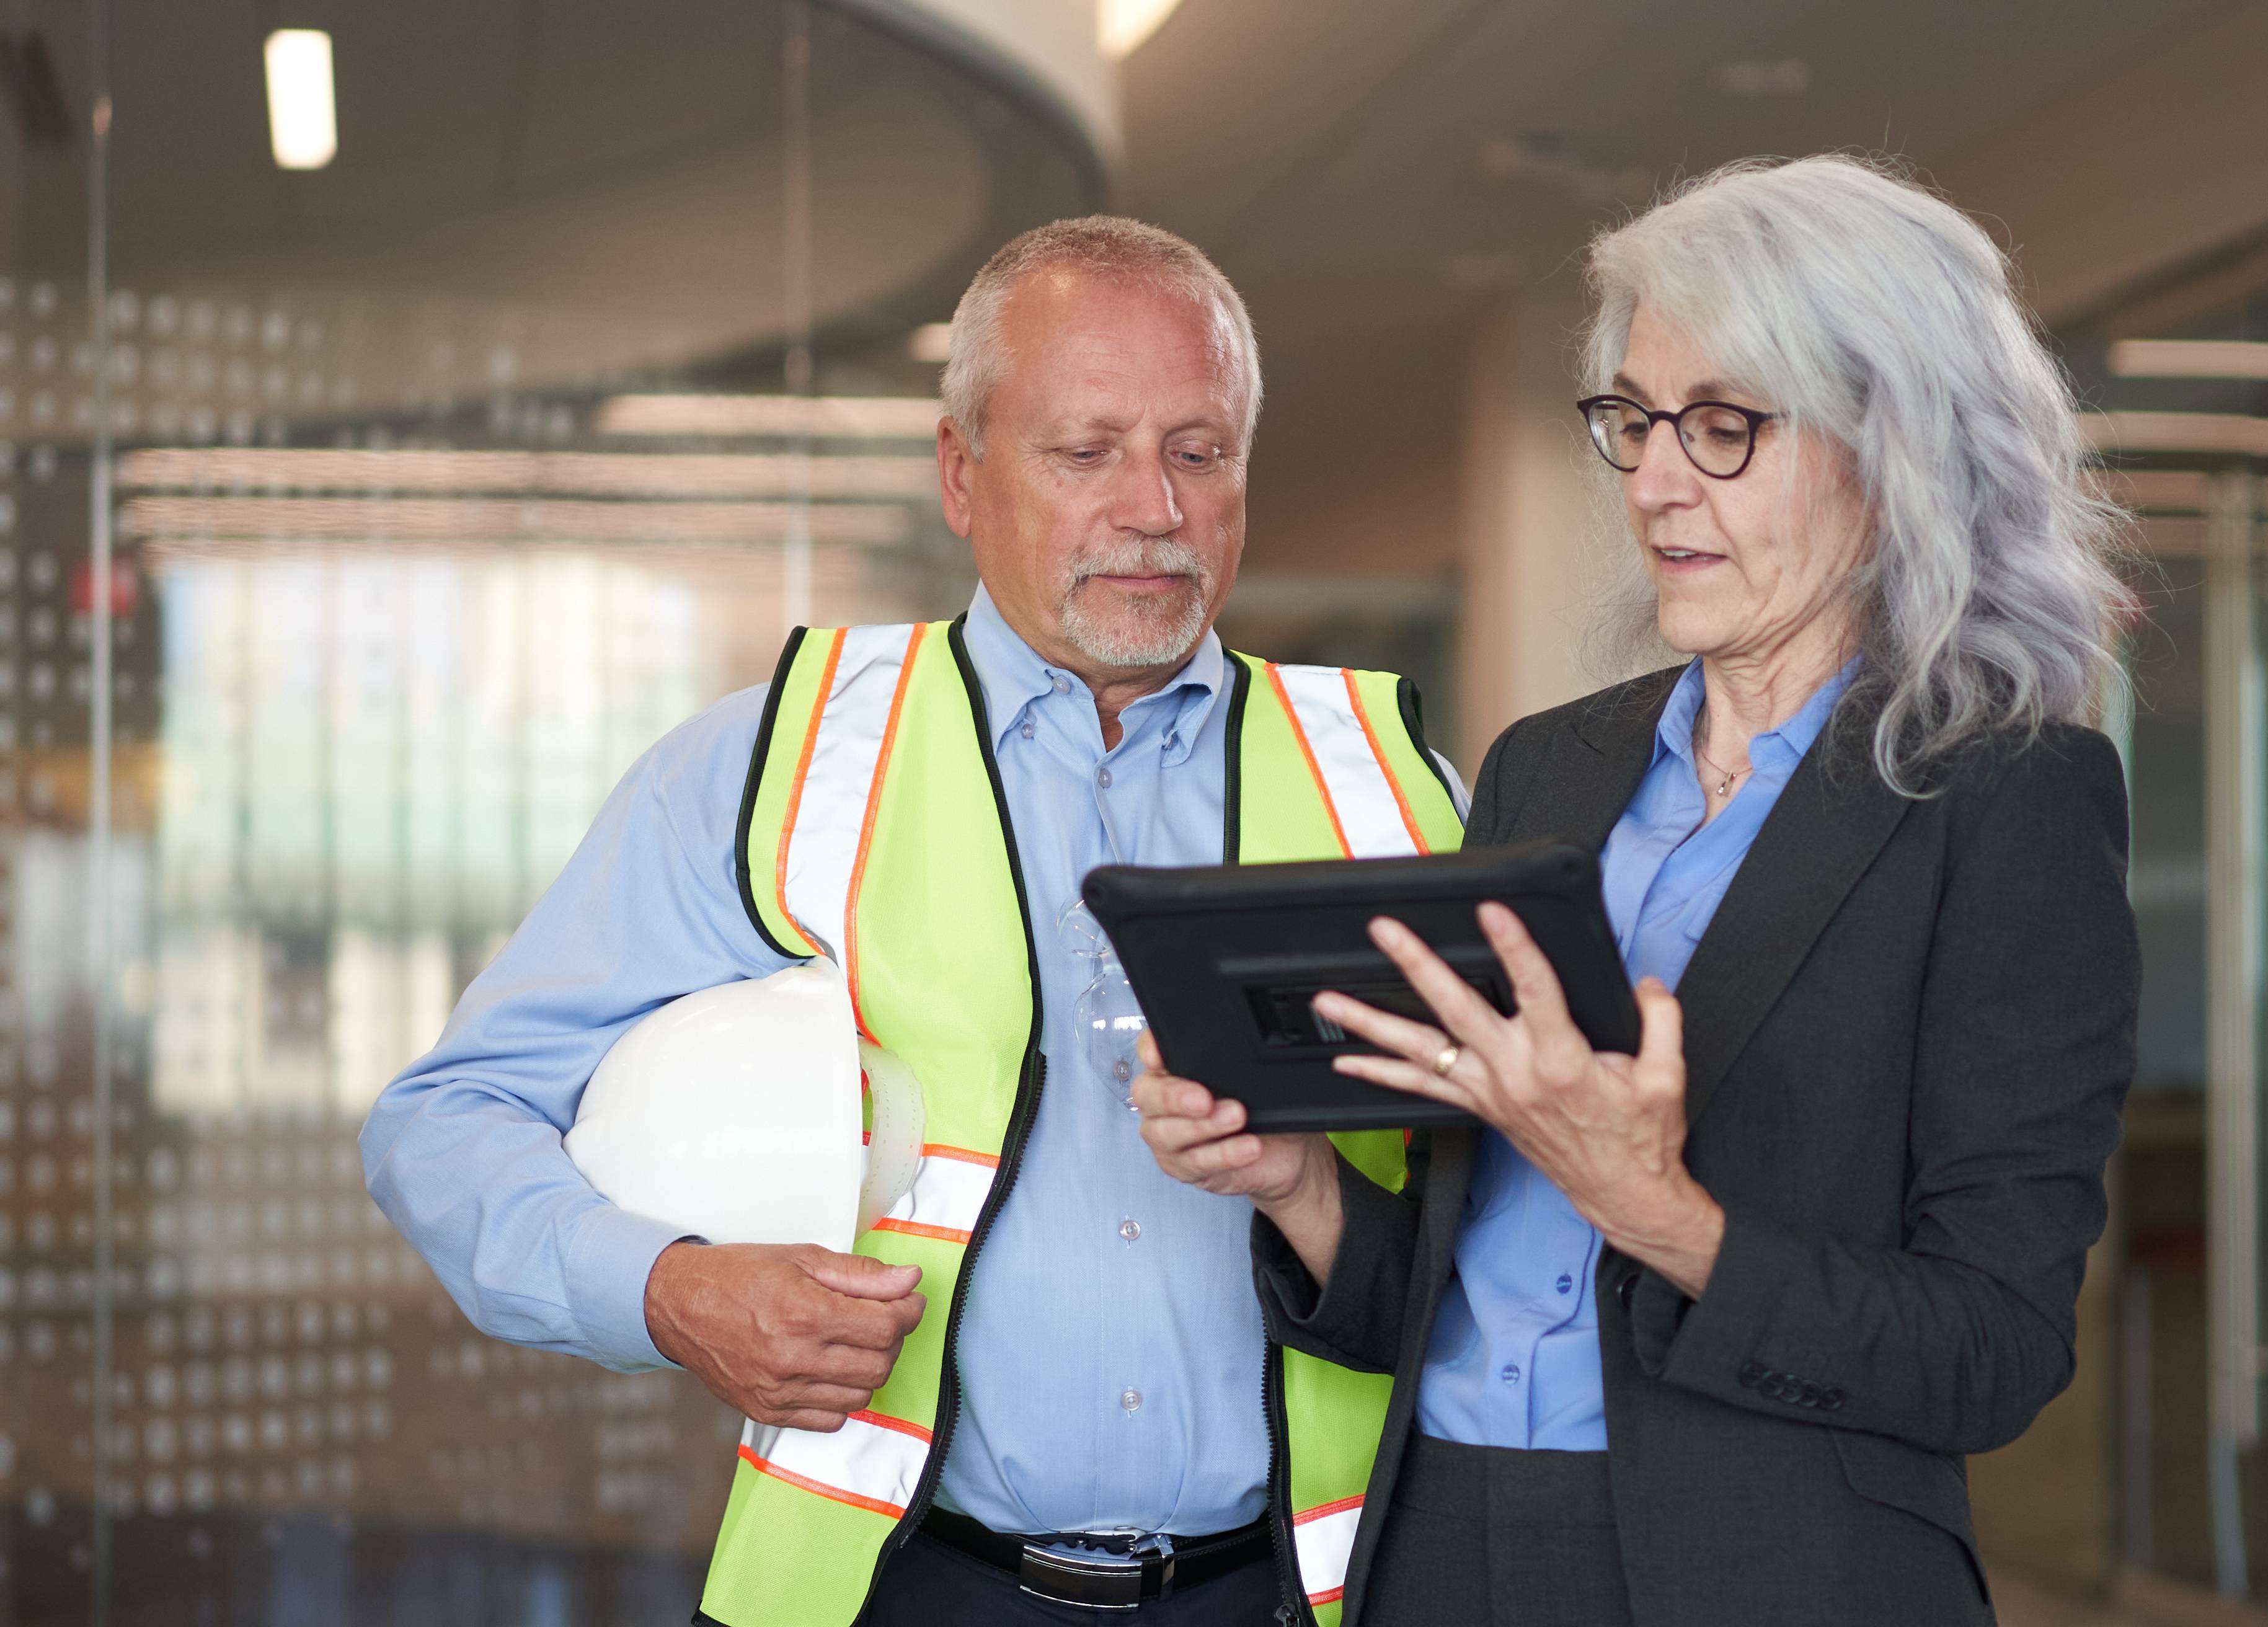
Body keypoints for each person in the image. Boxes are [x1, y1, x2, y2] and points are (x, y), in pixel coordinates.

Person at [361, 216, 1468, 1627]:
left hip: (1299, 1593)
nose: (1156, 507)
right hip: (901, 1587)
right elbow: (448, 1117)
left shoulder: (1392, 780)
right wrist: (672, 1293)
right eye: (1086, 452)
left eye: (1201, 450)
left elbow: (1499, 1219)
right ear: (962, 472)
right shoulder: (775, 759)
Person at [1135, 155, 2140, 1626]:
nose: (1656, 481)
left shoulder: (2009, 797)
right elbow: (1459, 1290)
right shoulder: (1553, 767)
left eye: (1725, 427)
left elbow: (1991, 1350)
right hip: (1439, 1549)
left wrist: (1660, 1212)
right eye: (1636, 421)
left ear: (1898, 447)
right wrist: (1297, 1188)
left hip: (1770, 1574)